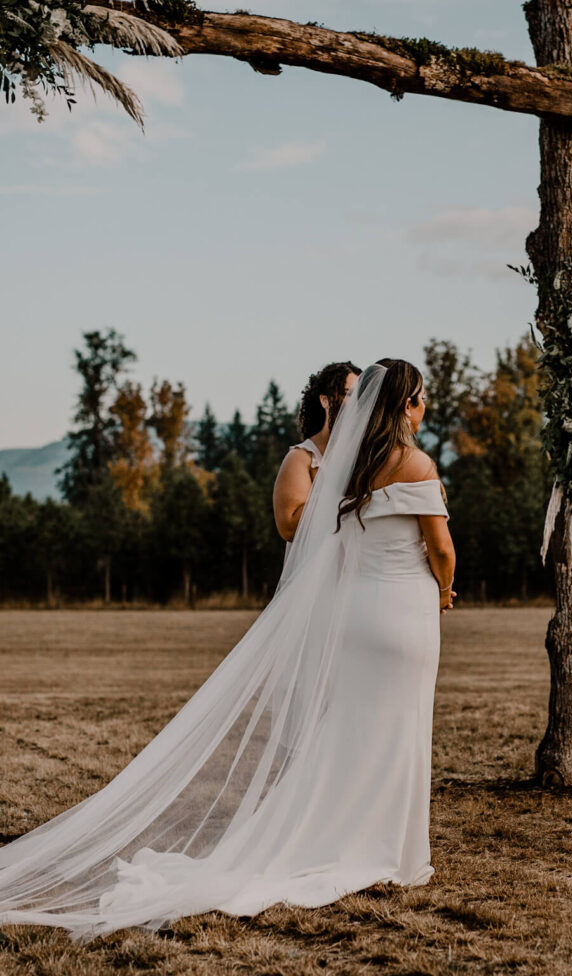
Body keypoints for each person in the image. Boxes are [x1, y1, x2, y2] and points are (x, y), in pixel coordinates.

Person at [0, 359, 455, 938]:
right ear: (405, 404)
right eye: (419, 399)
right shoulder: (411, 462)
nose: (423, 409)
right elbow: (439, 548)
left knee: (353, 730)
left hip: (357, 613)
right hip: (403, 612)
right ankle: (389, 848)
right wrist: (444, 587)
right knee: (396, 729)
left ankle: (344, 835)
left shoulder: (348, 469)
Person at [273, 361, 361, 542]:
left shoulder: (366, 453)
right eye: (347, 394)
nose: (355, 402)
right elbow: (288, 528)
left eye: (360, 396)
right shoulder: (301, 458)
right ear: (325, 400)